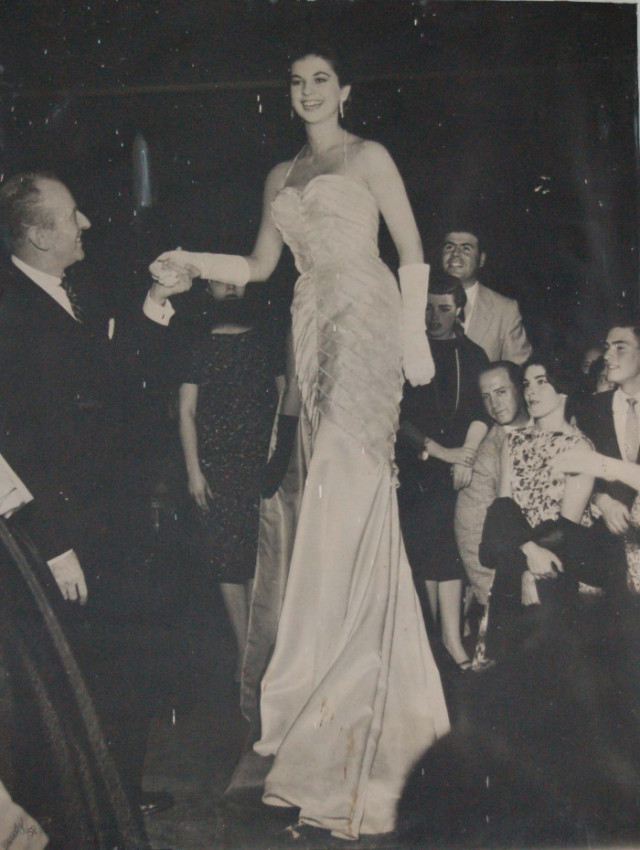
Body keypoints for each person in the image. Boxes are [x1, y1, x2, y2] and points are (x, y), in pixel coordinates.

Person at [151, 43, 449, 840]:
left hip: (367, 313)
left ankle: (360, 695)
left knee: (351, 485)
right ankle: (332, 690)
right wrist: (190, 260)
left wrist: (413, 341)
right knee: (328, 497)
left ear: (345, 89)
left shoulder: (369, 156)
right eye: (297, 81)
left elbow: (411, 251)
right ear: (287, 94)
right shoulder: (278, 176)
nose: (309, 91)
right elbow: (257, 265)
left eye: (322, 80)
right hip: (312, 320)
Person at [0, 171, 191, 836]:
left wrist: (156, 301)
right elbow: (19, 443)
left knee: (123, 660)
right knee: (87, 673)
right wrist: (54, 545)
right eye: (72, 215)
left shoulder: (70, 289)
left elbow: (117, 376)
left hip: (113, 517)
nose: (85, 223)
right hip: (69, 531)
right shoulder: (12, 313)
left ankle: (119, 797)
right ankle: (93, 811)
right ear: (37, 234)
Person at [178, 280, 281, 683]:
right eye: (221, 282)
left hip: (260, 466)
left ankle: (261, 651)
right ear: (208, 290)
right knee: (226, 559)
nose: (230, 288)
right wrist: (194, 471)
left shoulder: (266, 340)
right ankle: (244, 652)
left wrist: (280, 461)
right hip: (216, 467)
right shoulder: (198, 343)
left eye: (236, 279)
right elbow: (187, 412)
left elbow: (284, 398)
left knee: (258, 555)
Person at [397, 272, 489, 671]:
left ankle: (449, 639)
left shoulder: (473, 354)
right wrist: (441, 453)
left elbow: (482, 411)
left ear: (460, 311)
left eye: (444, 309)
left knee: (445, 541)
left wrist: (464, 456)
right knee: (427, 545)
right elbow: (397, 416)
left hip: (456, 467)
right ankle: (439, 641)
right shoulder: (407, 351)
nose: (434, 317)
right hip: (415, 464)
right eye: (428, 308)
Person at [480, 355, 595, 663]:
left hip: (557, 567)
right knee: (506, 667)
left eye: (541, 382)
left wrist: (532, 574)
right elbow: (501, 512)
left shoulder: (579, 448)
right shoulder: (513, 443)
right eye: (527, 383)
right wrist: (527, 556)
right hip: (517, 559)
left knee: (543, 665)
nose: (530, 391)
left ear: (563, 390)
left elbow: (566, 530)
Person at [454, 361, 529, 608]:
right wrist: (496, 598)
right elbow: (470, 534)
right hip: (514, 585)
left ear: (520, 389)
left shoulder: (552, 426)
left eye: (501, 392)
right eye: (486, 397)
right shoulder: (486, 454)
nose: (494, 404)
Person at [573, 320, 640, 597]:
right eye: (607, 347)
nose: (608, 356)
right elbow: (576, 473)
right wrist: (603, 501)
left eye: (620, 347)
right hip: (609, 552)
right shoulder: (590, 410)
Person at [441, 226, 532, 363]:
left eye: (466, 248)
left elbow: (518, 367)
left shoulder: (505, 310)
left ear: (481, 259)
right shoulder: (418, 300)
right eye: (449, 247)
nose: (455, 254)